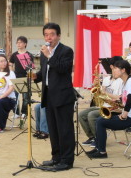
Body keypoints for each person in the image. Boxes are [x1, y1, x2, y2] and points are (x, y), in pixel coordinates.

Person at [33, 22, 76, 171]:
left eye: (51, 34)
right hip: (48, 95)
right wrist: (35, 76)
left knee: (65, 129)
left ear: (58, 35)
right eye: (46, 34)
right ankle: (56, 157)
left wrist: (49, 55)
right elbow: (44, 73)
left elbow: (63, 69)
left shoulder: (66, 51)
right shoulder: (45, 53)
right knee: (53, 128)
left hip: (63, 96)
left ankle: (67, 160)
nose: (48, 37)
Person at [87, 60, 131, 158]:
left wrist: (123, 115)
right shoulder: (126, 82)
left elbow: (129, 99)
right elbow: (124, 99)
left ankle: (102, 152)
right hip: (129, 116)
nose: (113, 71)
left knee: (101, 122)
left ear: (123, 70)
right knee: (100, 120)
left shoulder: (130, 82)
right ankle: (98, 148)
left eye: (116, 69)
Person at [79, 56, 123, 148]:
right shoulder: (107, 79)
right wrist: (97, 86)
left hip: (115, 108)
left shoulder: (122, 81)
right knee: (81, 114)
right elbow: (101, 94)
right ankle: (92, 137)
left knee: (91, 115)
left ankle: (99, 139)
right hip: (103, 105)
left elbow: (120, 98)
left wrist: (105, 93)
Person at [9, 36, 34, 119]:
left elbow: (31, 67)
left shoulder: (29, 55)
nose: (18, 44)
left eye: (20, 42)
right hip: (16, 78)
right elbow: (10, 64)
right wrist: (12, 73)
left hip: (26, 78)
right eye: (17, 42)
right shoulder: (14, 54)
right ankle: (16, 112)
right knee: (14, 96)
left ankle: (24, 112)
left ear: (25, 44)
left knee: (26, 97)